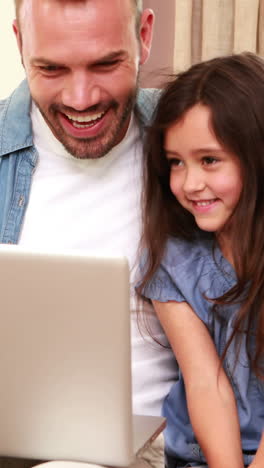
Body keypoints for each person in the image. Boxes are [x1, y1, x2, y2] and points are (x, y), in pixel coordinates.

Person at [0, 0, 178, 467]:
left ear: (143, 35)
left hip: (172, 451)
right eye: (52, 68)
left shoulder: (199, 143)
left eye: (105, 64)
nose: (81, 99)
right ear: (20, 43)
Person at [138, 52, 264, 468]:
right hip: (202, 455)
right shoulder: (173, 259)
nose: (190, 183)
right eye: (176, 162)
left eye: (209, 160)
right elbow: (206, 384)